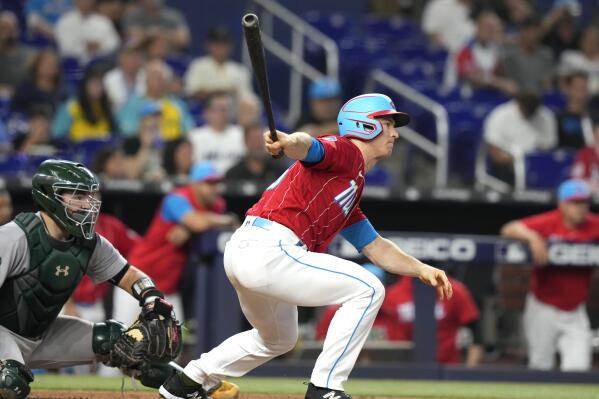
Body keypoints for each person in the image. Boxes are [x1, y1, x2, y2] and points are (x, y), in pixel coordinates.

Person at [158, 93, 453, 399]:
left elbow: (375, 246)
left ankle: (188, 382)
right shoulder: (346, 151)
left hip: (248, 249)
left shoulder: (347, 185)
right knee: (368, 289)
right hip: (270, 248)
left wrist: (420, 268)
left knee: (277, 340)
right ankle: (325, 388)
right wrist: (288, 142)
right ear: (365, 126)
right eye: (388, 123)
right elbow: (309, 146)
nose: (395, 132)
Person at [0, 160, 182, 398]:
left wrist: (152, 299)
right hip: (4, 334)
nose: (87, 203)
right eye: (77, 195)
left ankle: (189, 385)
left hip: (42, 334)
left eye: (88, 195)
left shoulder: (89, 243)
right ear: (49, 197)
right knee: (9, 383)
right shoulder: (14, 237)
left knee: (116, 341)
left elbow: (129, 274)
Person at [112, 161, 238, 326]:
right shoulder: (177, 198)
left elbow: (232, 223)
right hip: (138, 277)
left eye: (216, 183)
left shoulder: (217, 205)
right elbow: (197, 223)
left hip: (168, 286)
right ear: (194, 184)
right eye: (208, 183)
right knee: (121, 336)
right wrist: (201, 224)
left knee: (171, 344)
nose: (214, 188)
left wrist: (191, 228)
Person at [500, 179, 599, 371]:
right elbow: (508, 228)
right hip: (543, 306)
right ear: (562, 204)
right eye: (574, 203)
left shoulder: (593, 224)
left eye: (583, 203)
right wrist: (533, 237)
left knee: (578, 369)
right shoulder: (549, 221)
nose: (580, 208)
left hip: (575, 310)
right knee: (540, 365)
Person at [382, 276, 482, 366]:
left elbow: (476, 334)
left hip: (446, 367)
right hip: (402, 367)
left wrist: (469, 371)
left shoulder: (453, 290)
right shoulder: (393, 294)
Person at [483, 90, 557, 184]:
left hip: (536, 163)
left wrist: (532, 159)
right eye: (527, 109)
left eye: (533, 110)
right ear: (519, 104)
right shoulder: (500, 115)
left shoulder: (546, 116)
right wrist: (518, 160)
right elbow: (495, 153)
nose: (530, 113)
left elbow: (548, 147)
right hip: (509, 164)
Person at [118, 60, 194, 140]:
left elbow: (188, 128)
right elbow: (127, 129)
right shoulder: (133, 104)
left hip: (173, 146)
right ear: (145, 80)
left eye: (161, 78)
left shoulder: (177, 104)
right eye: (154, 77)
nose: (158, 81)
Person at [456, 11, 518, 96]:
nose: (490, 31)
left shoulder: (496, 49)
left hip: (490, 95)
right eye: (487, 27)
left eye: (493, 28)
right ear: (477, 27)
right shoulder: (465, 49)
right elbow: (473, 78)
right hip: (467, 96)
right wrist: (500, 83)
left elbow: (504, 73)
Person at [184, 27, 253, 100]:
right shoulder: (198, 65)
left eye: (223, 44)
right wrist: (223, 91)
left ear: (230, 47)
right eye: (216, 44)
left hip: (233, 110)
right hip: (204, 110)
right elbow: (190, 93)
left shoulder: (240, 70)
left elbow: (247, 98)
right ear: (208, 45)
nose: (220, 48)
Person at [52, 68, 118, 143]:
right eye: (93, 84)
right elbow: (57, 133)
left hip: (103, 149)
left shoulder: (107, 107)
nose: (97, 88)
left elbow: (114, 132)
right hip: (77, 149)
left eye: (100, 84)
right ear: (85, 85)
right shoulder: (72, 106)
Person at [188, 92, 245, 174]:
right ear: (207, 112)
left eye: (226, 109)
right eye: (219, 109)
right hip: (207, 183)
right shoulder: (194, 136)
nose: (223, 113)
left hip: (237, 182)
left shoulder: (241, 133)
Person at [55, 0, 120, 65]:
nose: (85, 2)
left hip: (99, 63)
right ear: (75, 1)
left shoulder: (103, 21)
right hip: (73, 64)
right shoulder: (65, 21)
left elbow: (114, 43)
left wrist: (99, 46)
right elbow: (65, 47)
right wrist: (85, 47)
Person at [502, 16, 554, 94]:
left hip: (540, 99)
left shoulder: (546, 54)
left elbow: (547, 84)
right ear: (522, 32)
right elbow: (509, 84)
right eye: (530, 32)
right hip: (516, 98)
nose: (533, 36)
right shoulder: (509, 55)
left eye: (536, 32)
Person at [11, 49, 65, 116]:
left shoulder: (64, 91)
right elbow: (15, 113)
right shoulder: (25, 91)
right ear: (36, 66)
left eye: (53, 65)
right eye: (46, 64)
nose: (49, 68)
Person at [122, 102, 166, 181]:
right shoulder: (131, 142)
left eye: (158, 117)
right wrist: (145, 146)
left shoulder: (161, 143)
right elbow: (132, 174)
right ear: (142, 120)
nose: (155, 121)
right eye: (151, 117)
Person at [123, 0, 190, 51]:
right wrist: (168, 35)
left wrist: (155, 33)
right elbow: (134, 39)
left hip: (170, 56)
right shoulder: (133, 15)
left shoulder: (173, 15)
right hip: (141, 57)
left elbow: (183, 40)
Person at [0, 11, 36, 98]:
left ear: (16, 31)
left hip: (21, 100)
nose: (4, 33)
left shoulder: (31, 55)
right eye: (1, 28)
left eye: (8, 28)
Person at [103, 43, 146, 112]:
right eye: (130, 56)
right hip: (116, 118)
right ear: (121, 59)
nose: (134, 59)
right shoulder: (110, 78)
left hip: (143, 118)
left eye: (136, 56)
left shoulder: (147, 76)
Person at [556, 72, 593, 150]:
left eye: (584, 88)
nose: (581, 92)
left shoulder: (595, 117)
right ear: (567, 89)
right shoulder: (558, 118)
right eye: (577, 88)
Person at [571, 122, 599, 192]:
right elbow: (576, 174)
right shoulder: (585, 153)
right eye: (597, 134)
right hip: (590, 187)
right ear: (594, 135)